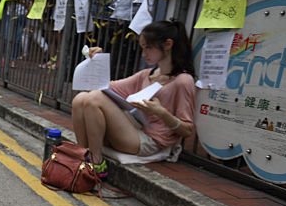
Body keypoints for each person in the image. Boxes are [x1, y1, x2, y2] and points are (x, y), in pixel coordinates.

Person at [71, 20, 197, 178]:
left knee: (94, 98)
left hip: (151, 142)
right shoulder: (147, 75)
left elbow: (187, 129)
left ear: (168, 44)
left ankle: (96, 164)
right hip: (135, 130)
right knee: (81, 98)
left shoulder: (183, 80)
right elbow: (102, 86)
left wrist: (161, 112)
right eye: (143, 48)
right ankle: (82, 155)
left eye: (148, 47)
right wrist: (97, 61)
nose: (144, 54)